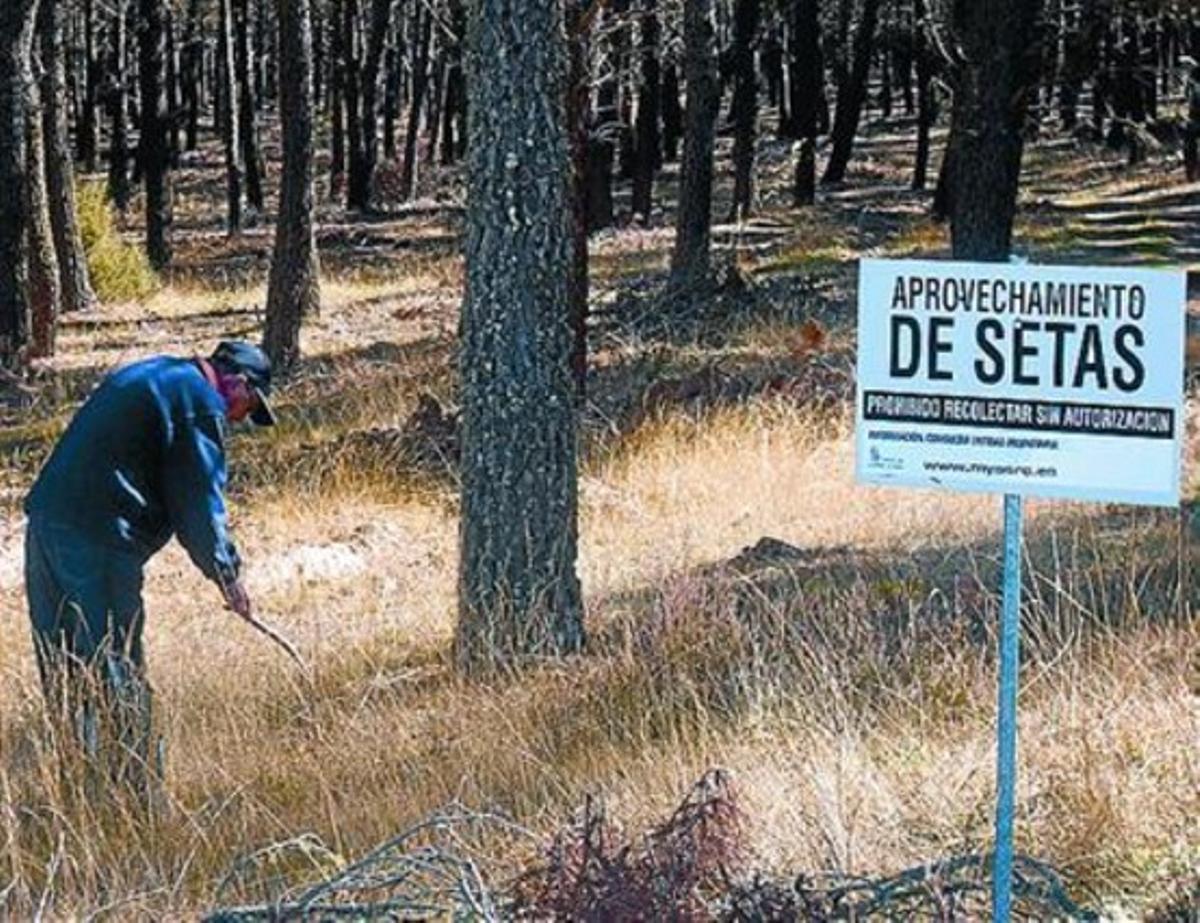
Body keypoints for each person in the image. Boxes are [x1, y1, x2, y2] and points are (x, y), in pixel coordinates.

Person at [23, 340, 276, 795]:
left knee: (64, 665)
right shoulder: (197, 403)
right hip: (99, 538)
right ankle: (137, 799)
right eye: (249, 406)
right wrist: (228, 576)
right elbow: (198, 503)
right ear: (237, 382)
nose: (240, 419)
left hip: (46, 525)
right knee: (114, 666)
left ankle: (79, 792)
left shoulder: (158, 373)